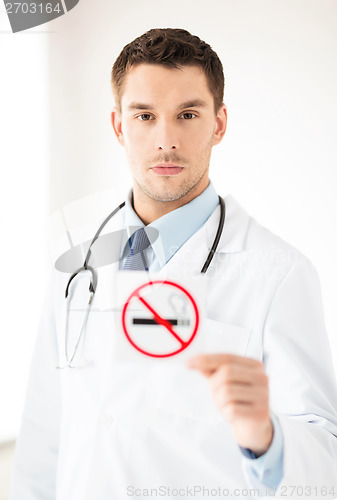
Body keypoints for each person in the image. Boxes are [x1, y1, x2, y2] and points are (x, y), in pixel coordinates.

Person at [9, 28, 337, 500]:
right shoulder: (76, 261)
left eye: (187, 114)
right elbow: (44, 439)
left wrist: (267, 438)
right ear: (119, 126)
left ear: (219, 123)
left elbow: (324, 465)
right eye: (144, 115)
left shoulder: (279, 274)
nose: (165, 141)